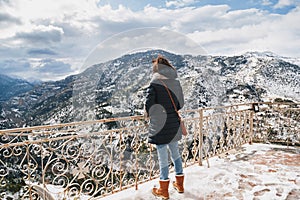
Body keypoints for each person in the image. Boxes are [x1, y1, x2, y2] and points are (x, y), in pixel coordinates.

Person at [145, 55, 185, 200]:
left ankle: (164, 190)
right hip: (173, 123)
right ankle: (179, 185)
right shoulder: (176, 82)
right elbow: (180, 104)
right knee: (176, 154)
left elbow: (149, 105)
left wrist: (155, 113)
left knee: (163, 158)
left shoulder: (155, 83)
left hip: (160, 125)